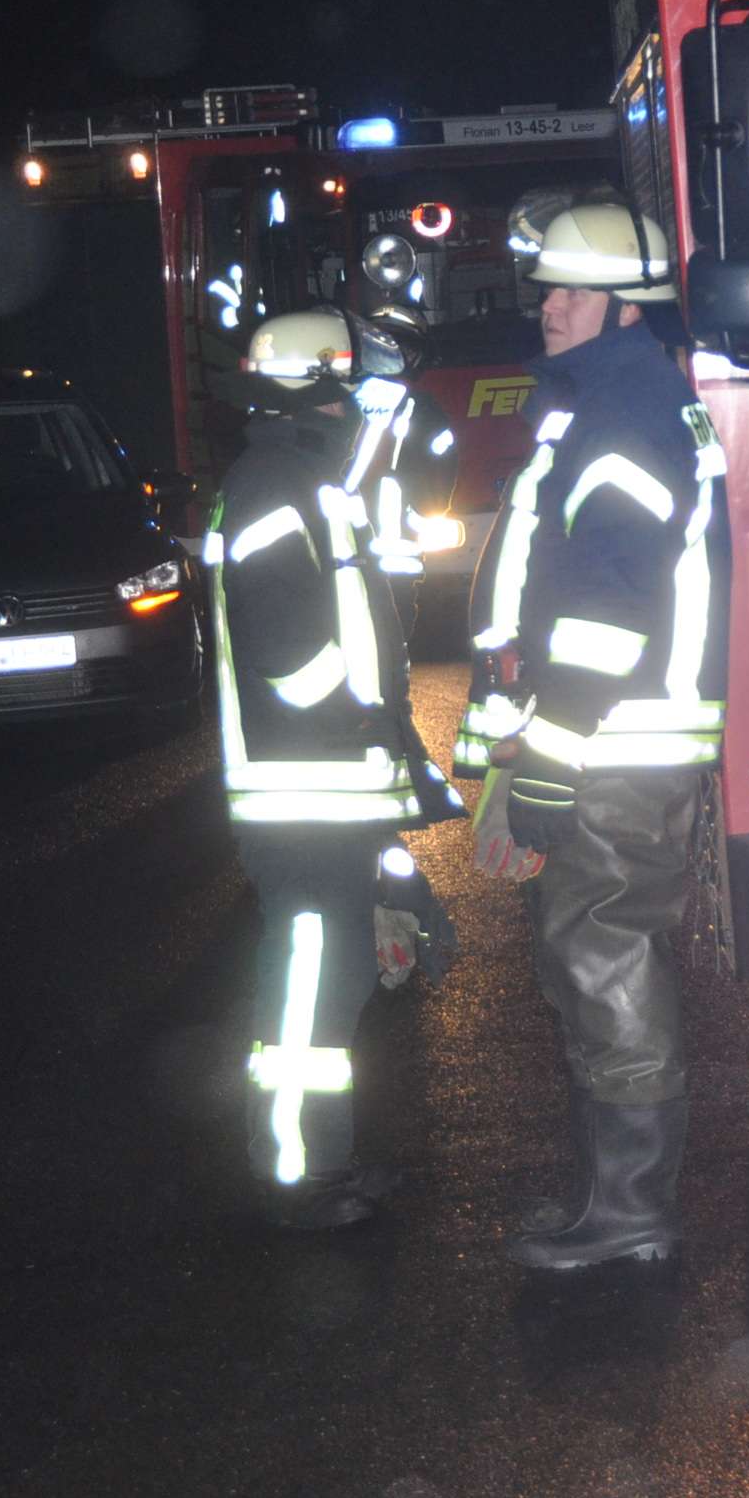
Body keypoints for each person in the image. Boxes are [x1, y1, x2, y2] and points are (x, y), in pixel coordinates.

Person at [465, 198, 729, 1272]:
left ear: (627, 308)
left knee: (605, 959)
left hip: (612, 747)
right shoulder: (618, 400)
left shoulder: (621, 419)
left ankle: (631, 1211)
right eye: (548, 287)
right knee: (598, 959)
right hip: (613, 742)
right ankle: (621, 1201)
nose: (550, 306)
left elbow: (607, 613)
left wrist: (552, 755)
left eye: (574, 290)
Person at [209, 308, 452, 1231]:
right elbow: (285, 648)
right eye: (357, 392)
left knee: (332, 981)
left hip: (323, 787)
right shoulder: (278, 485)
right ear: (320, 390)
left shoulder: (294, 479)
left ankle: (323, 1162)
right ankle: (299, 1181)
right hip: (301, 789)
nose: (366, 411)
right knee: (311, 987)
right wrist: (361, 720)